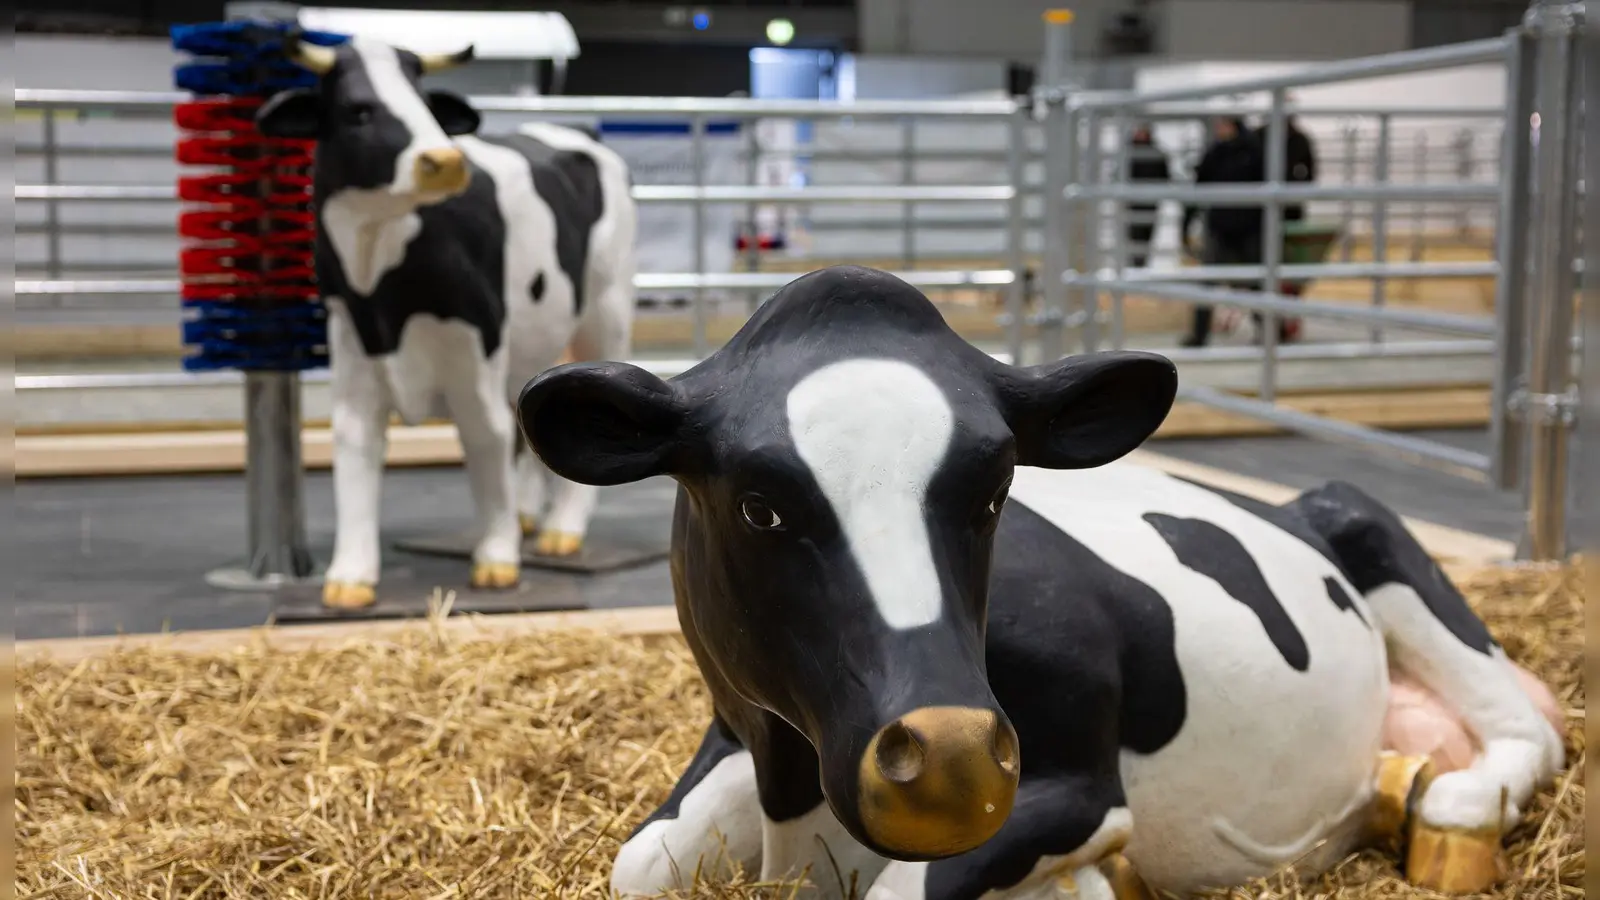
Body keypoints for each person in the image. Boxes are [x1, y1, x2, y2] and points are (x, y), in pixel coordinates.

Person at [1179, 116, 1265, 347]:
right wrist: (1186, 224)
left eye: (1223, 125)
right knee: (1210, 281)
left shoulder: (1253, 152)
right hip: (1224, 228)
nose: (1219, 129)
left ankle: (1266, 331)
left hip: (1247, 228)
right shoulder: (1218, 152)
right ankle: (1199, 334)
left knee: (1256, 281)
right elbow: (1199, 188)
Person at [1126, 124, 1170, 269]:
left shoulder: (1156, 153)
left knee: (1146, 235)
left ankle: (1140, 265)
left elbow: (1165, 178)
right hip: (1132, 202)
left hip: (1149, 202)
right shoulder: (1127, 153)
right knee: (1133, 234)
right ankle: (1134, 265)